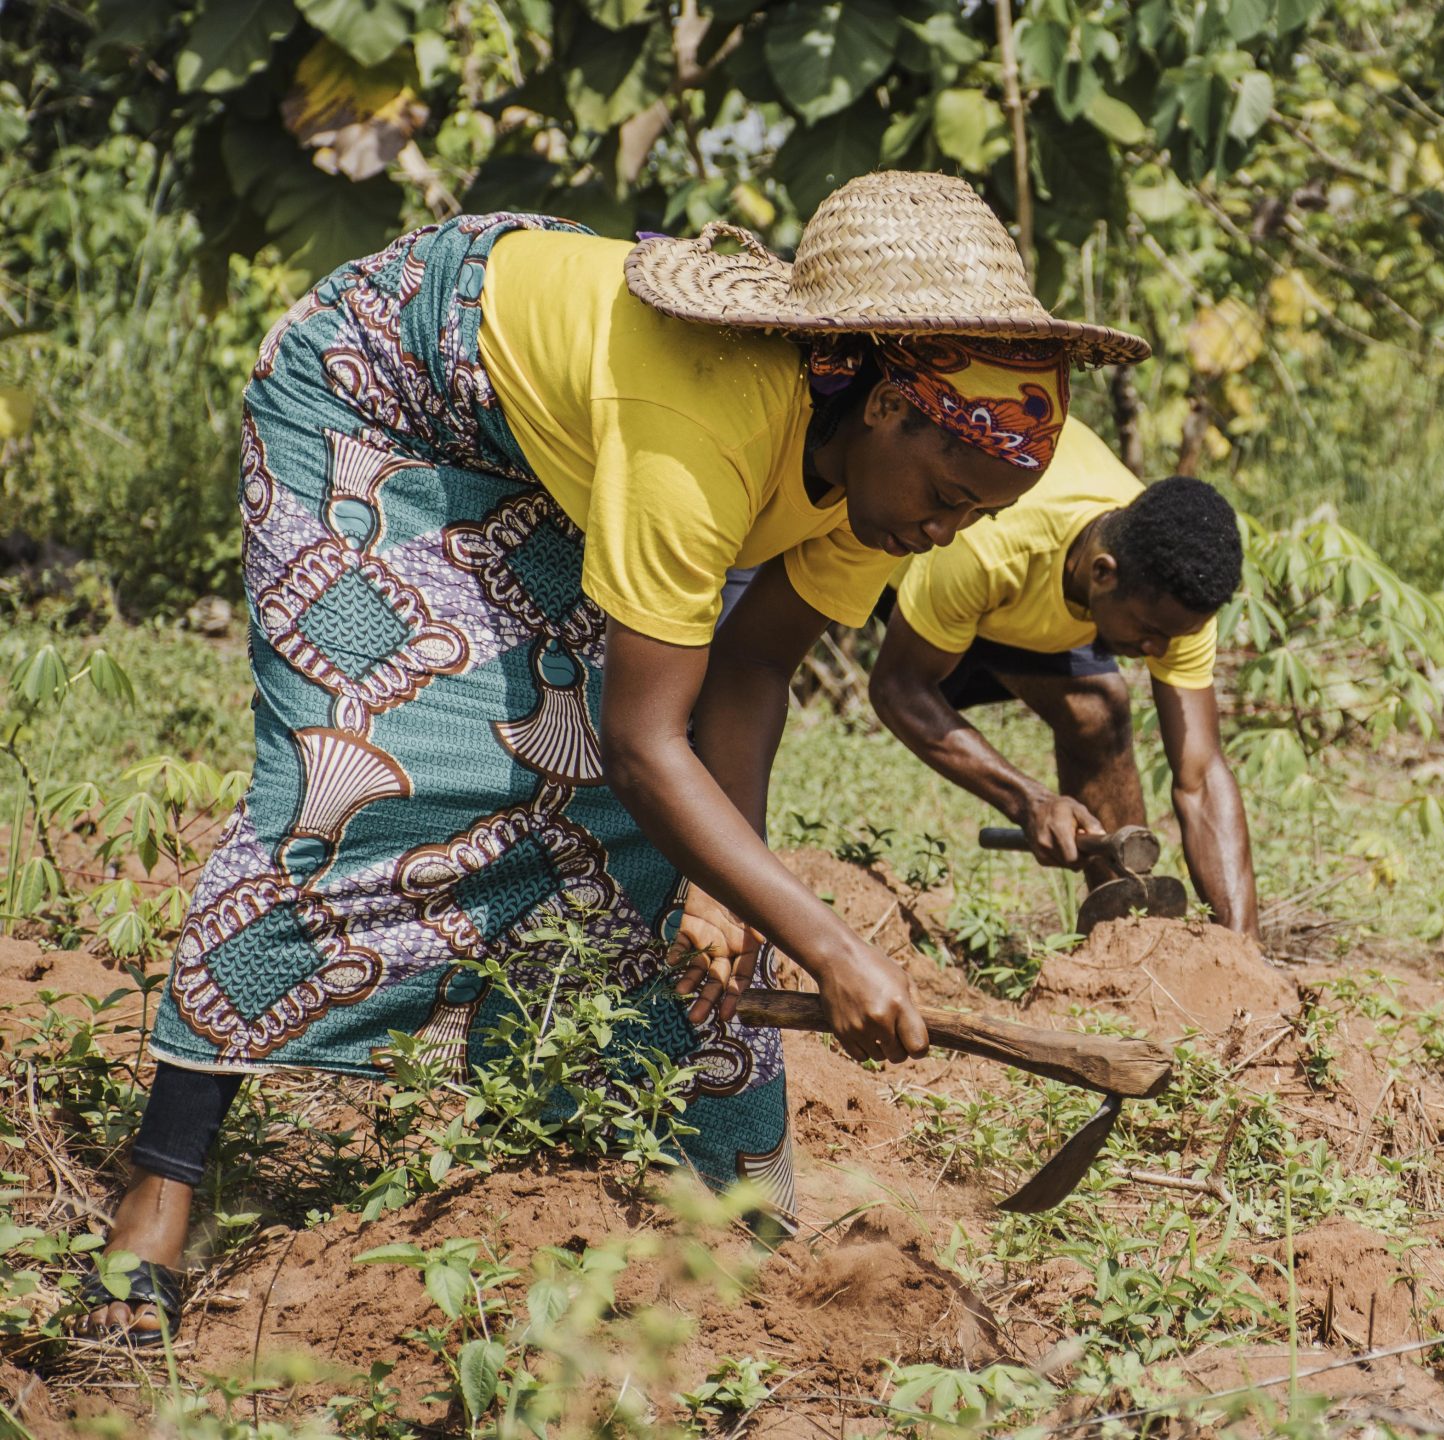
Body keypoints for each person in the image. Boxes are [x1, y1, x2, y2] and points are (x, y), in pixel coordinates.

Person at [78, 172, 1148, 1339]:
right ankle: (161, 1190)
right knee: (356, 776)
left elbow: (748, 672)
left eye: (974, 519)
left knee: (657, 844)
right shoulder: (706, 425)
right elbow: (649, 744)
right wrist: (830, 945)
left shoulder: (879, 492)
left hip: (556, 449)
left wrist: (718, 887)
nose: (943, 535)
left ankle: (734, 1213)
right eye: (945, 497)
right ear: (886, 408)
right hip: (380, 394)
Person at [868, 440, 1257, 932]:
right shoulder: (991, 548)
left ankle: (1123, 937)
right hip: (923, 585)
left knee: (1098, 714)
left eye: (1174, 636)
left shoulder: (1175, 591)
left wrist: (1246, 953)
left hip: (1025, 602)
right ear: (1102, 573)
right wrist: (1028, 801)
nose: (1159, 650)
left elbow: (1201, 778)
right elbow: (897, 688)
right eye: (1147, 633)